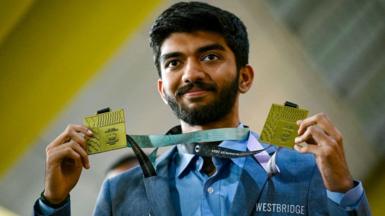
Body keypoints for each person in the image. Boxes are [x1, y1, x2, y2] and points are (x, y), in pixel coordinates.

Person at [33, 2, 371, 215]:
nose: (192, 73)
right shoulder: (121, 191)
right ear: (162, 89)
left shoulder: (306, 174)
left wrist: (342, 189)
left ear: (245, 76)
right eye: (175, 62)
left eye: (210, 56)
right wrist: (53, 202)